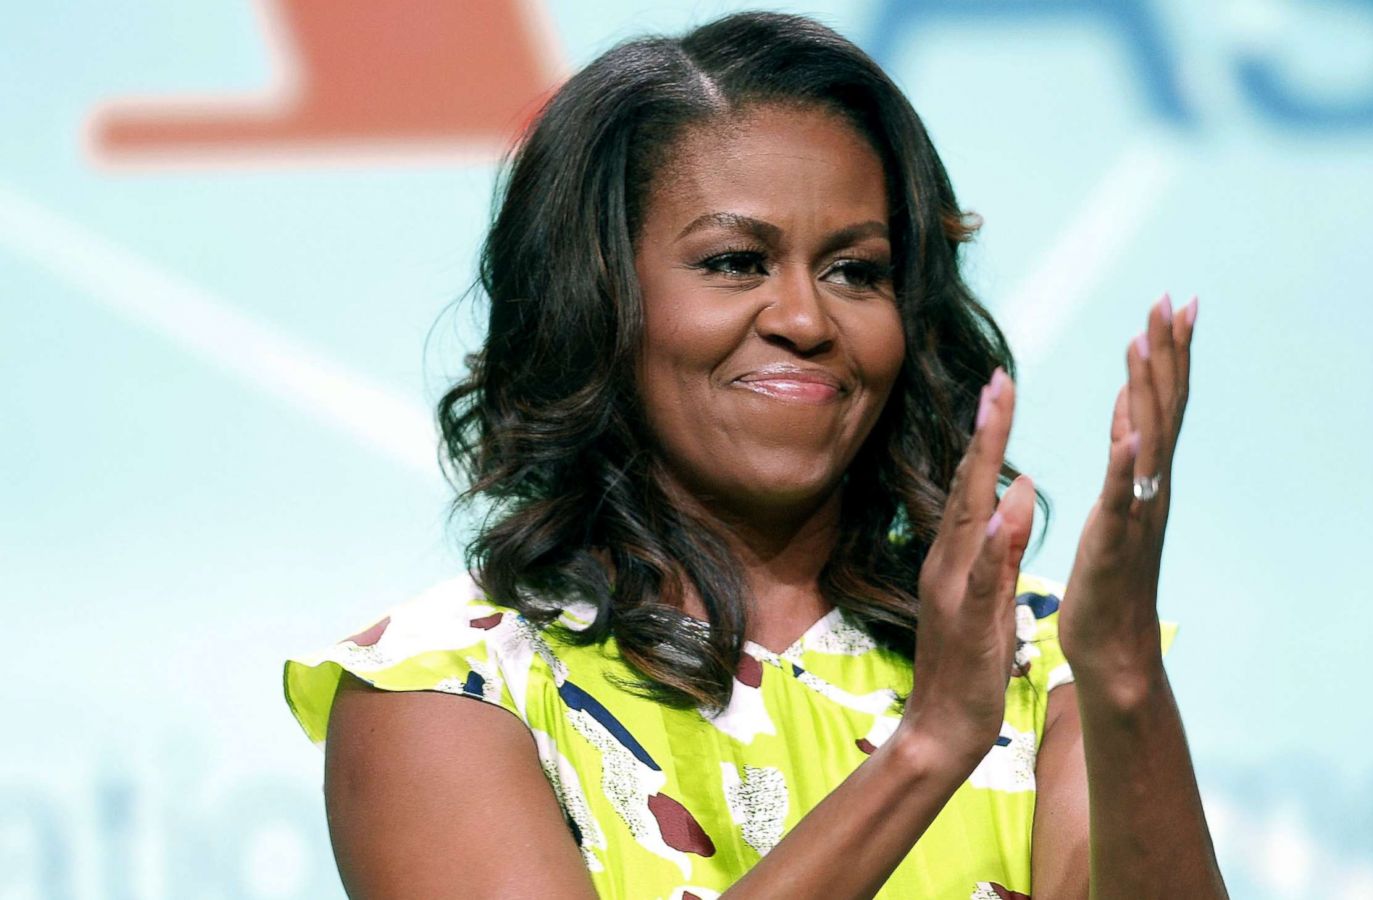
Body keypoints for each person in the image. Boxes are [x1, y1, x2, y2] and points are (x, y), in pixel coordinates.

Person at [283, 10, 1225, 899]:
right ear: (597, 297)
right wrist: (928, 744)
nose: (808, 320)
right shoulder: (445, 685)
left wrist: (1124, 673)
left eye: (857, 271)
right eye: (735, 262)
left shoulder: (1041, 663)